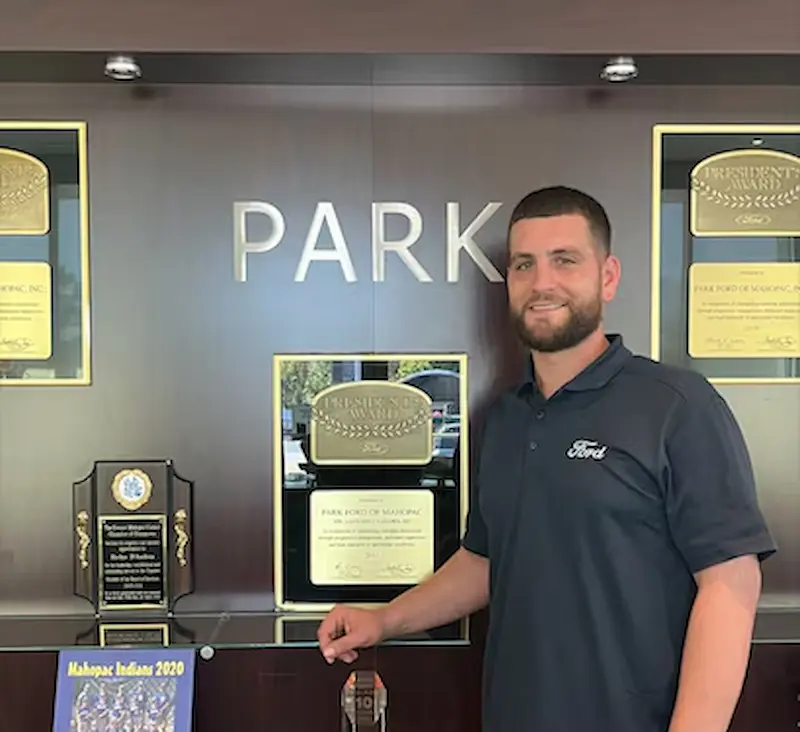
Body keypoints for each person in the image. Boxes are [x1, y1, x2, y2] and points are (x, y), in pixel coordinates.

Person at [316, 186, 776, 732]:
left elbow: (730, 583)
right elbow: (485, 562)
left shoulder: (677, 406)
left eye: (565, 260)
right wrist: (384, 620)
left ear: (608, 277)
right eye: (524, 265)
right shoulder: (506, 420)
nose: (542, 283)